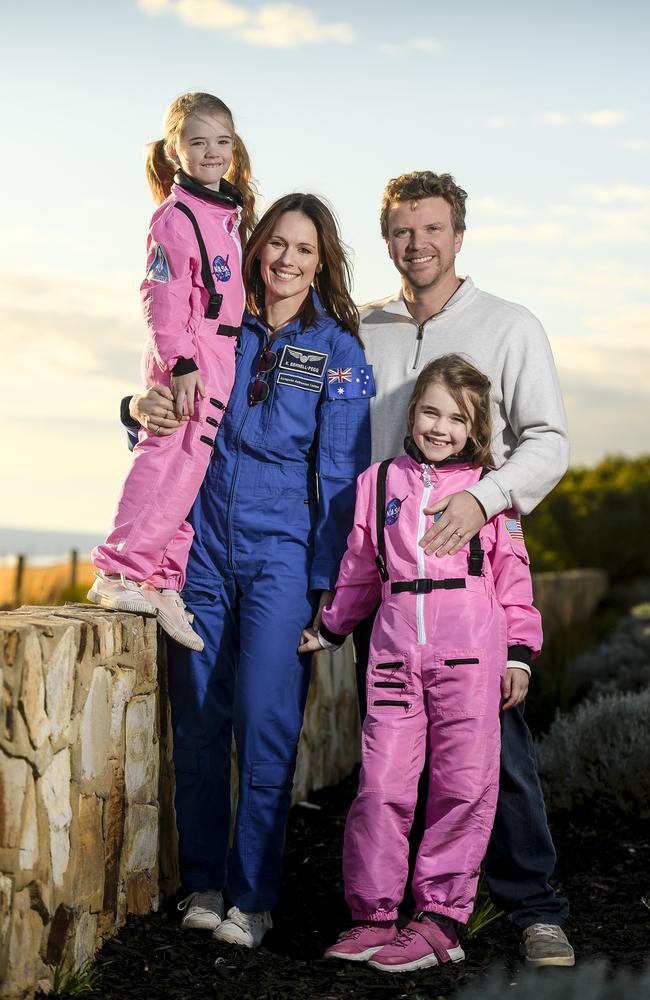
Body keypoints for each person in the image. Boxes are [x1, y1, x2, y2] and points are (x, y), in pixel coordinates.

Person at [124, 193, 373, 948]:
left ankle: (254, 897)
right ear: (255, 250)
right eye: (276, 245)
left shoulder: (340, 353)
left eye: (304, 249)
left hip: (282, 559)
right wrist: (134, 408)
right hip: (199, 548)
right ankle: (203, 880)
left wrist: (328, 584)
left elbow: (341, 472)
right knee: (200, 724)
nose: (288, 260)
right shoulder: (215, 327)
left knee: (266, 726)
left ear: (321, 261)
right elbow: (165, 411)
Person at [354, 170, 574, 968]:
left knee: (495, 753)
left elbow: (548, 439)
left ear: (459, 235)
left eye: (433, 229)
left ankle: (533, 907)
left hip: (473, 575)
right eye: (404, 231)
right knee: (389, 760)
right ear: (387, 238)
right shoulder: (362, 329)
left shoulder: (510, 325)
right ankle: (393, 912)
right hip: (384, 582)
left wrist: (484, 501)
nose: (418, 245)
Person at [299, 354, 543, 973]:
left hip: (471, 655)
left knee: (462, 788)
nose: (440, 427)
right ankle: (374, 917)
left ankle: (439, 920)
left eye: (457, 418)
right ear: (412, 412)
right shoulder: (377, 483)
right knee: (381, 787)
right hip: (393, 656)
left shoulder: (489, 491)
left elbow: (514, 579)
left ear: (475, 428)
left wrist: (519, 655)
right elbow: (358, 569)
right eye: (431, 411)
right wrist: (329, 630)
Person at [89, 92, 256, 651]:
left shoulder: (225, 213)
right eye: (198, 141)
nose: (211, 152)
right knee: (166, 458)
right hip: (188, 354)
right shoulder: (175, 217)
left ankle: (159, 575)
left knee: (190, 472)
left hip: (220, 354)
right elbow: (161, 294)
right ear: (174, 149)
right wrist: (180, 362)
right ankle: (119, 568)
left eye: (222, 141)